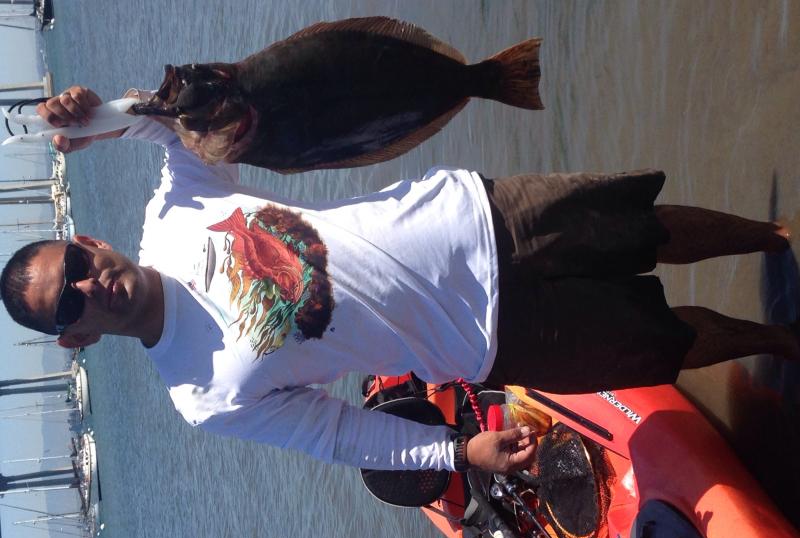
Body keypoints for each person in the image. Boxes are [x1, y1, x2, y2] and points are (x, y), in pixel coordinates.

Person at [2, 87, 798, 474]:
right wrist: (458, 452)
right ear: (77, 337)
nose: (88, 285)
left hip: (472, 218)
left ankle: (777, 237)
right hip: (482, 341)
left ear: (89, 243)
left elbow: (182, 114)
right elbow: (339, 434)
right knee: (666, 342)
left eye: (76, 266)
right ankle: (782, 340)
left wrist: (98, 116)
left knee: (647, 227)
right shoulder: (199, 396)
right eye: (68, 303)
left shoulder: (175, 209)